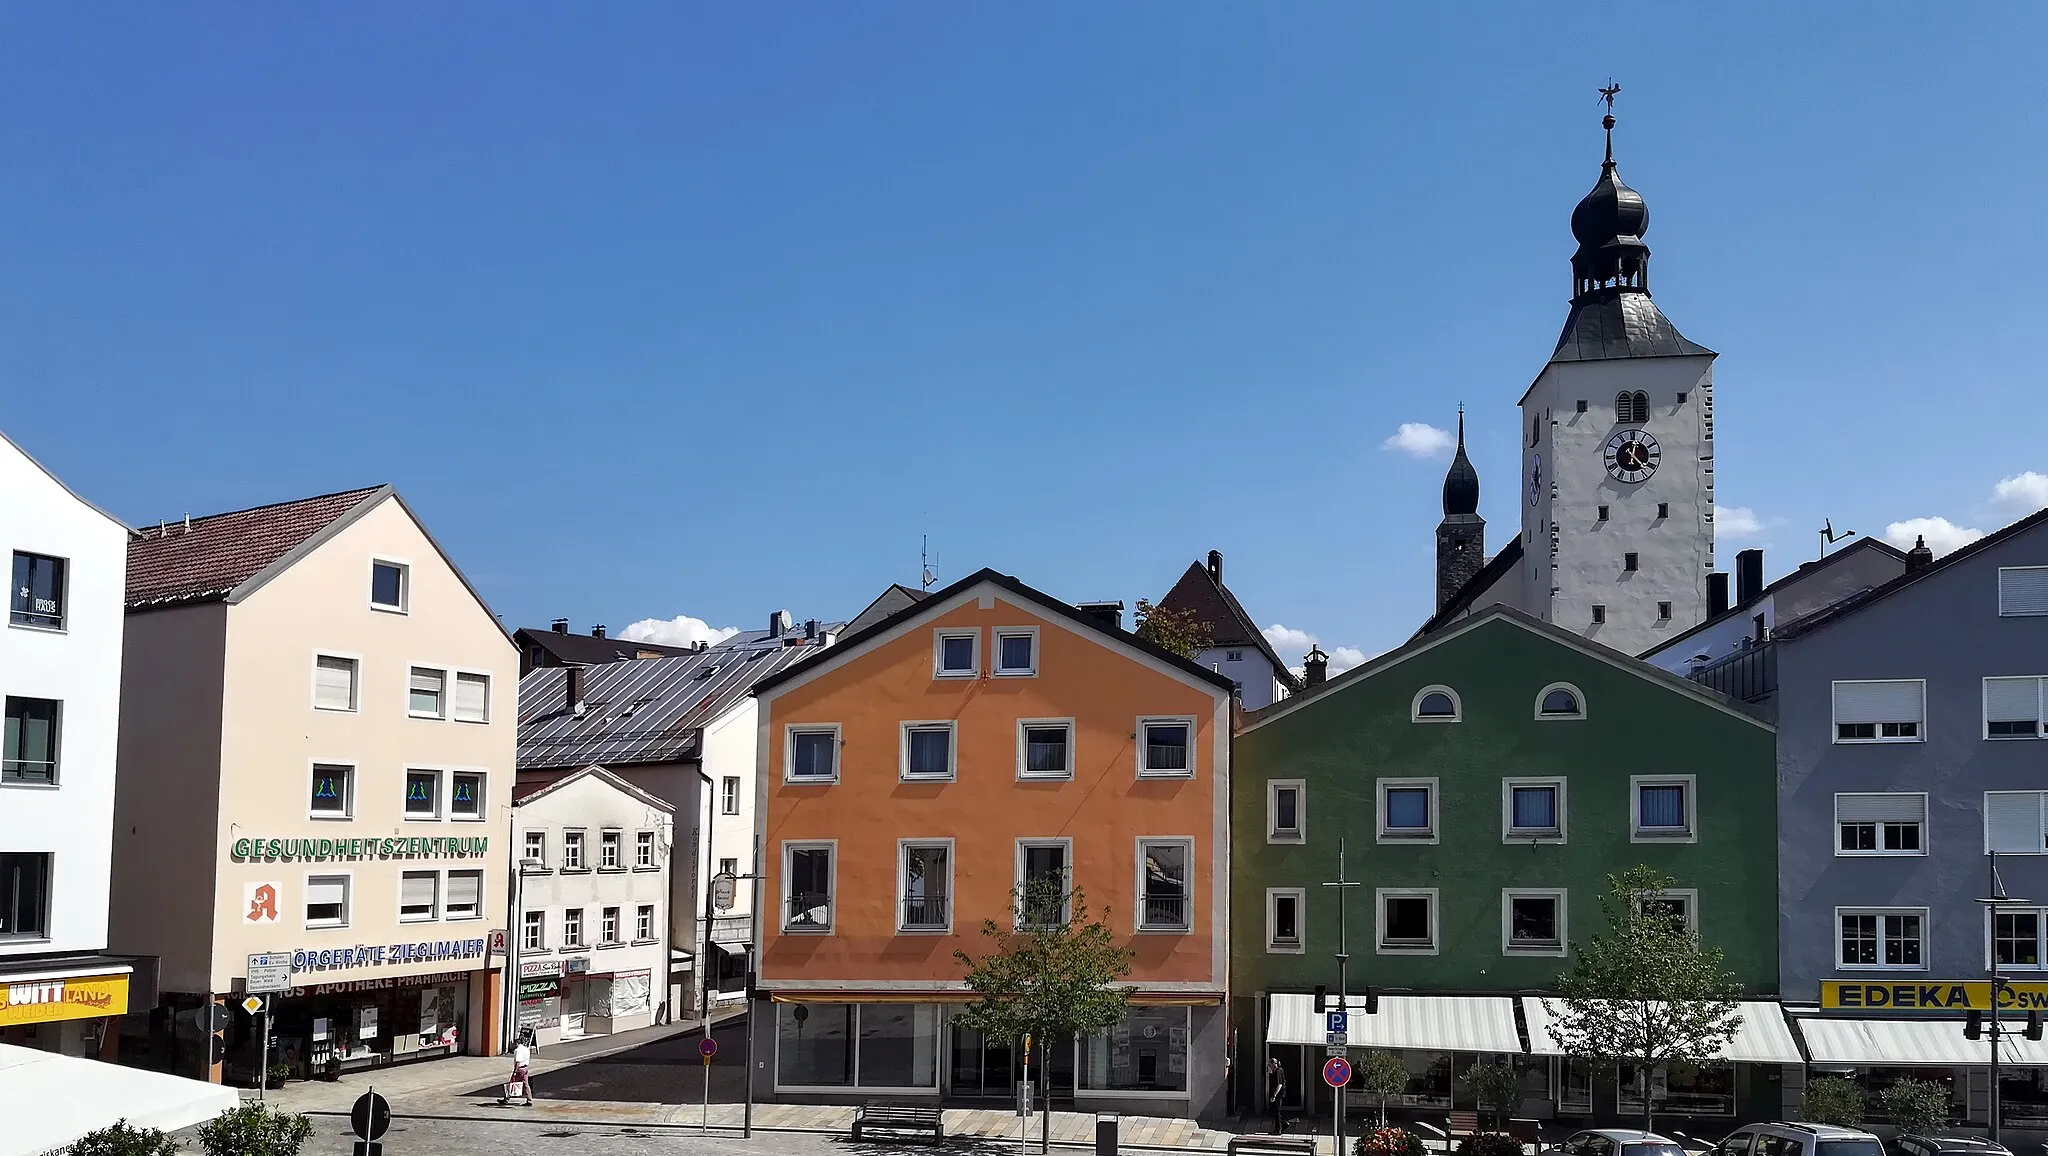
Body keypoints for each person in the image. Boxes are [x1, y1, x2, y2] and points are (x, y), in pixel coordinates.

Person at [509, 1032, 535, 1106]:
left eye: (514, 1044)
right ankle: (529, 1099)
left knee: (512, 1082)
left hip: (520, 1069)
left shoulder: (518, 1050)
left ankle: (506, 1098)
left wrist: (515, 1071)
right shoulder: (526, 1049)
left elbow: (518, 1061)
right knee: (526, 1084)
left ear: (516, 1043)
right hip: (526, 1068)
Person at [1266, 1056, 1287, 1133]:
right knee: (1275, 1111)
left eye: (1269, 1064)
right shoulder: (1279, 1070)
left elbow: (1279, 1084)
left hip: (1278, 1095)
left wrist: (1274, 1095)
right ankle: (1283, 1124)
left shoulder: (1278, 1072)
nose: (1269, 1066)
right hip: (1279, 1094)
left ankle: (1278, 1129)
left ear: (1273, 1064)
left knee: (1276, 1112)